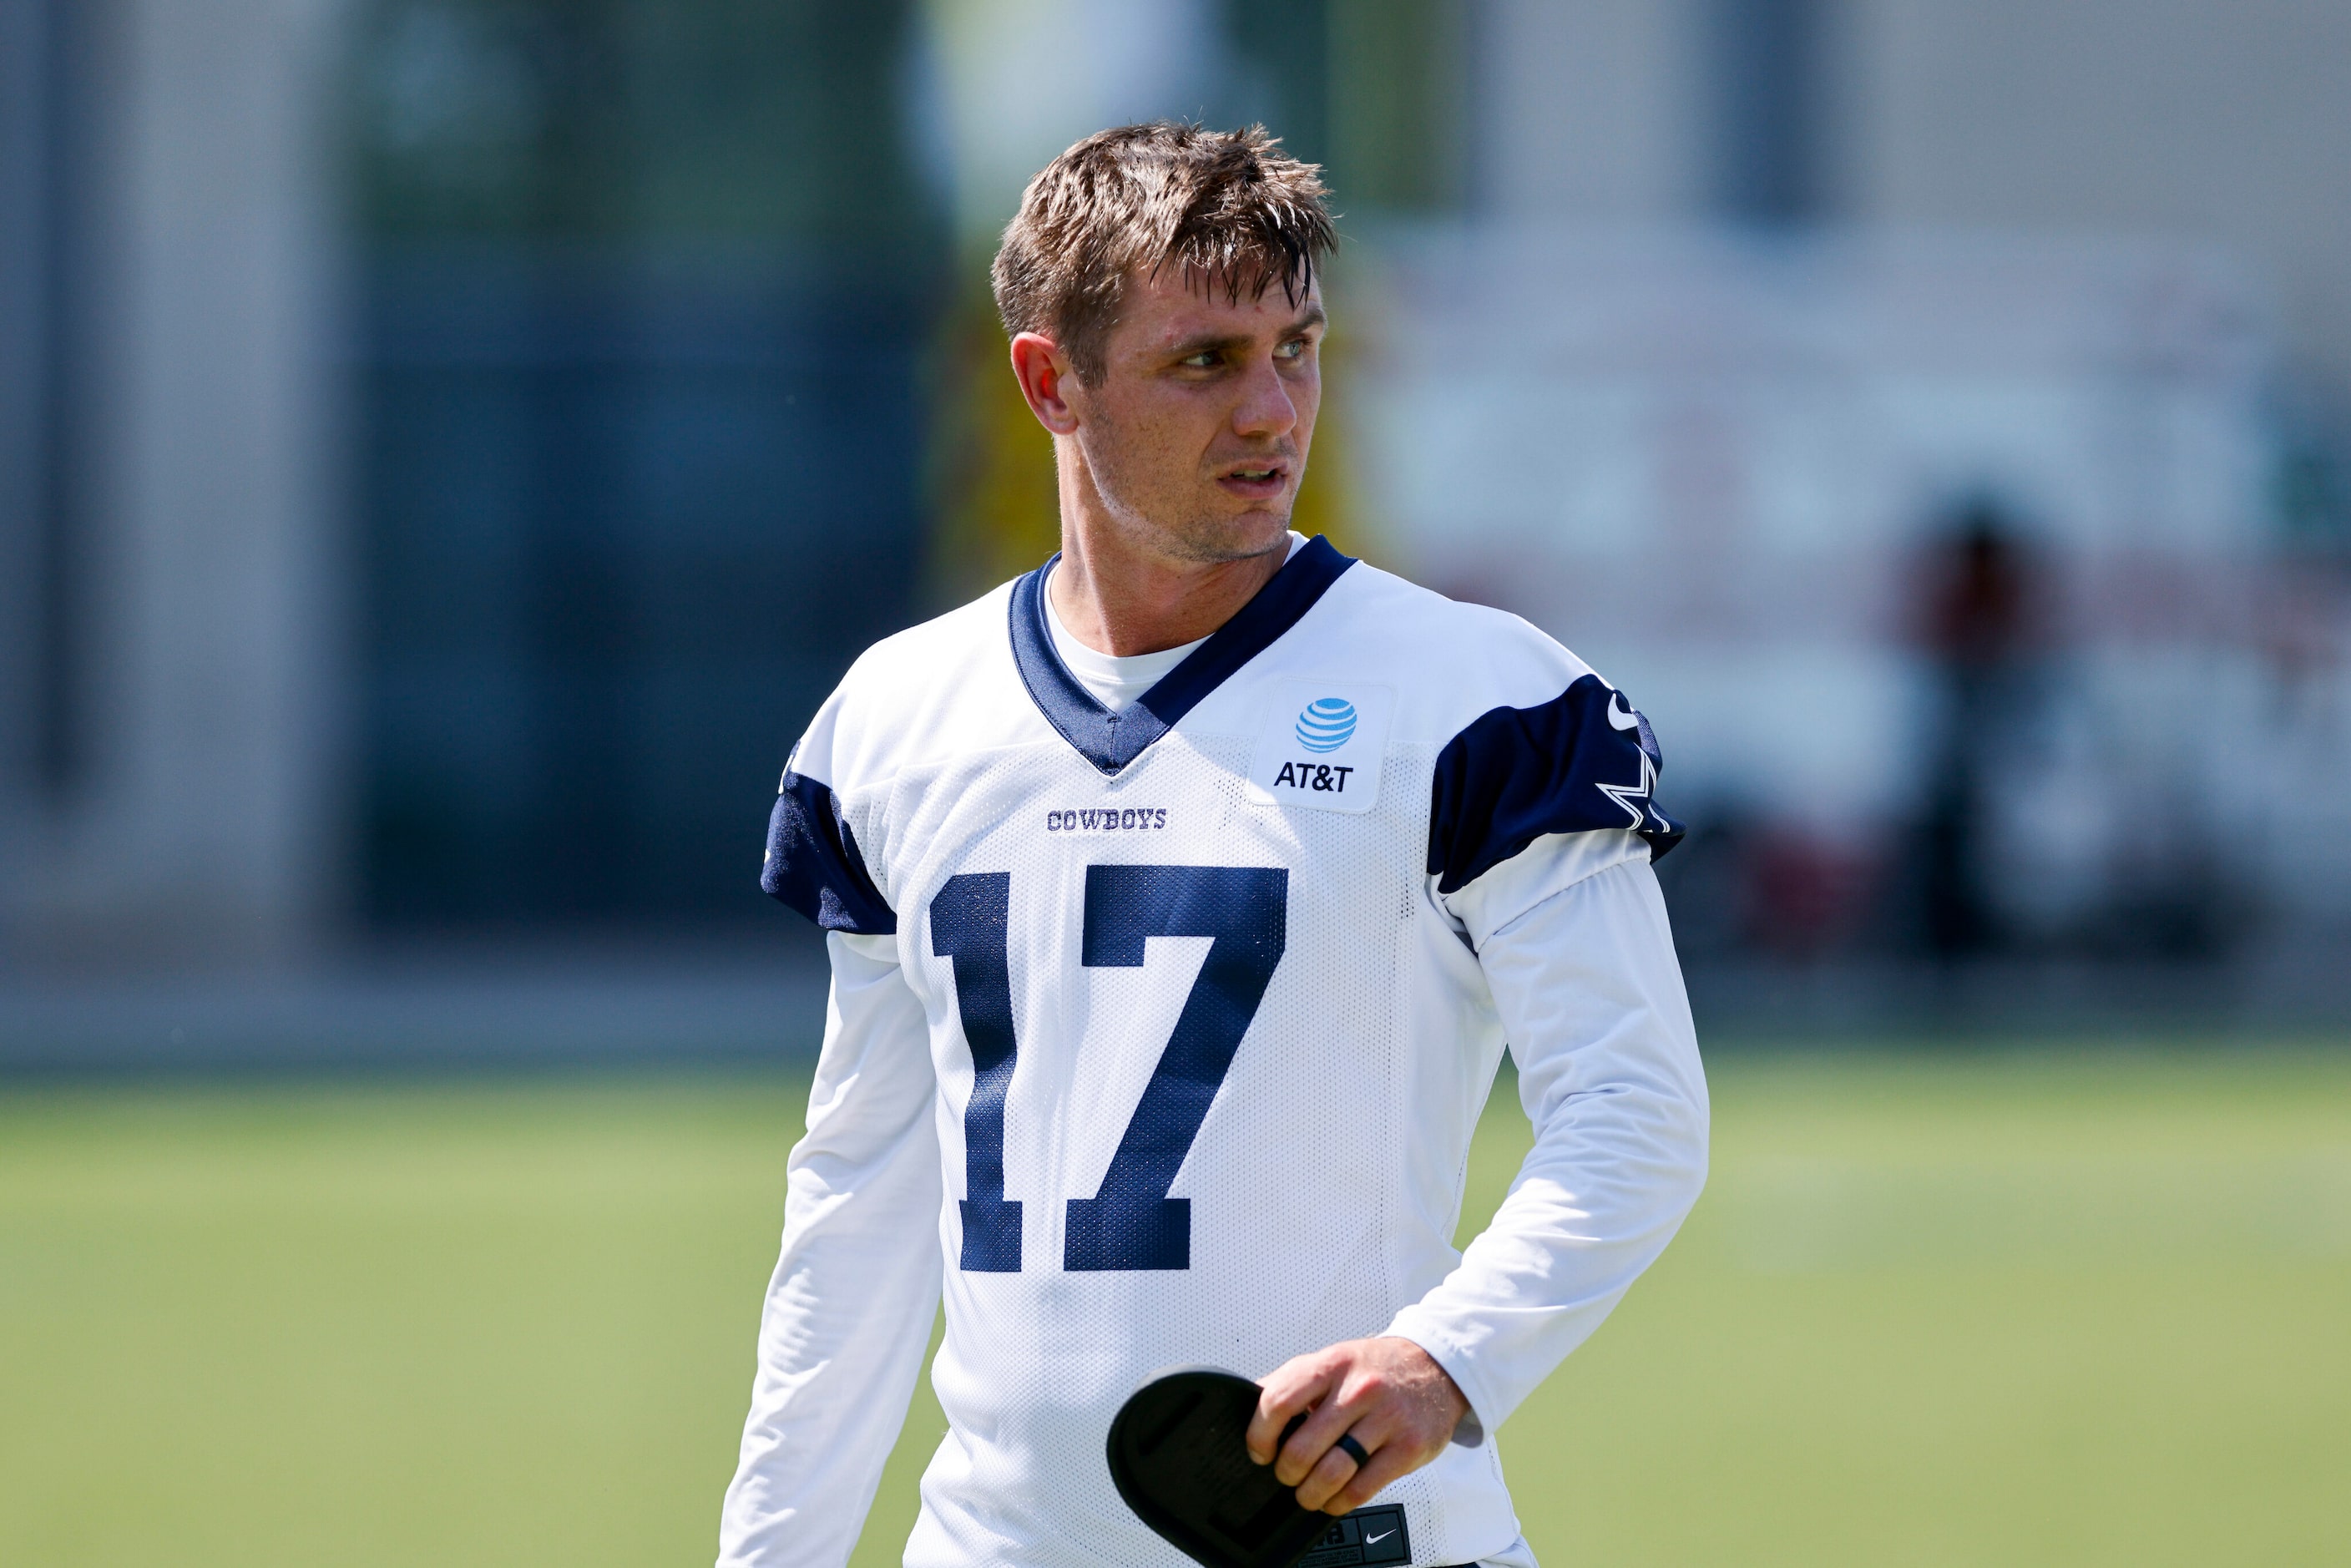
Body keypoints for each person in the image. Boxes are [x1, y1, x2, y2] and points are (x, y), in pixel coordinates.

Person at [718, 123, 1707, 1568]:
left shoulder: (1478, 697)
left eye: (1296, 348)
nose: (1274, 411)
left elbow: (1634, 1105)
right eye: (1205, 362)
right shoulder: (898, 718)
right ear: (1053, 381)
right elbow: (862, 1205)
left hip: (1357, 1545)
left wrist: (1449, 1358)